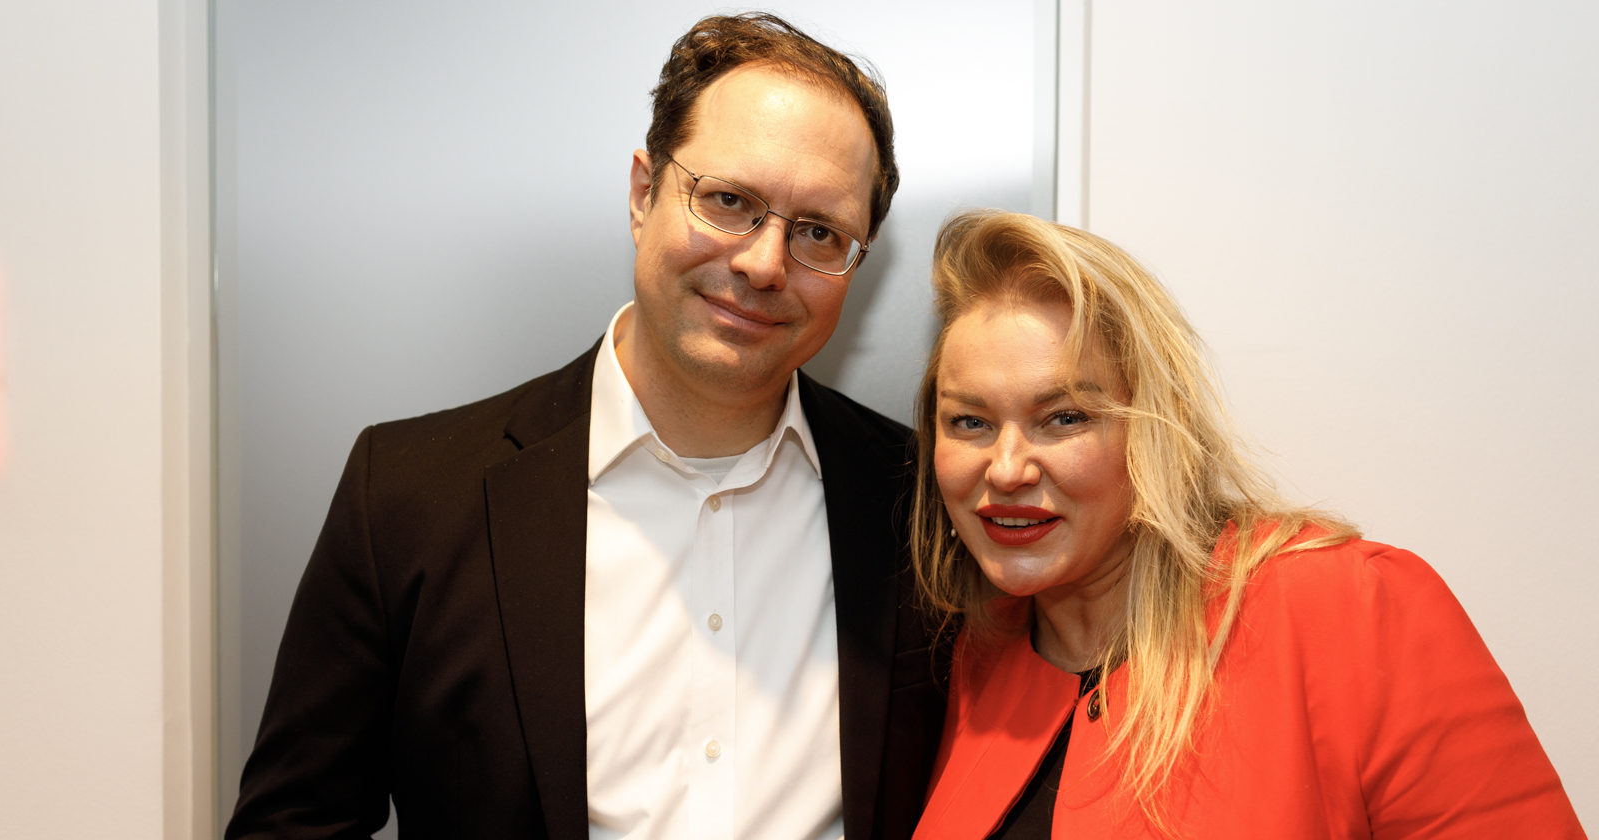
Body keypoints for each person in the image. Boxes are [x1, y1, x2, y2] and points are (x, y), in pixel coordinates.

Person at [227, 14, 945, 840]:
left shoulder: (922, 507)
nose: (763, 263)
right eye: (728, 202)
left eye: (818, 231)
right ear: (643, 195)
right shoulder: (406, 498)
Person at [907, 210, 1585, 839]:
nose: (1006, 469)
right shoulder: (974, 656)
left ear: (1157, 428)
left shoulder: (1351, 608)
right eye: (970, 421)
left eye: (1065, 418)